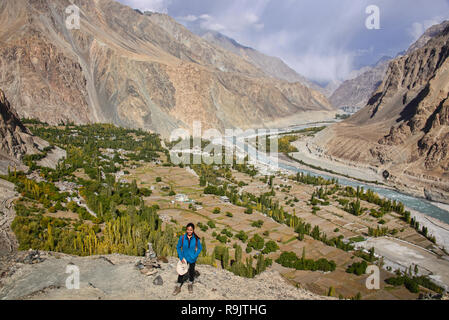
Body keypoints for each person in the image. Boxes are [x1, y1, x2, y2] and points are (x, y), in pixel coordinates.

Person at [173, 223, 202, 295]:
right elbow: (178, 247)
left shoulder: (196, 239)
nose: (189, 231)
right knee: (181, 272)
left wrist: (195, 255)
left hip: (192, 259)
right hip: (184, 258)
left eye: (191, 230)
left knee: (191, 271)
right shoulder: (182, 238)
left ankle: (190, 284)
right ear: (186, 230)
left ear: (193, 230)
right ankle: (178, 286)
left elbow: (200, 248)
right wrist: (181, 257)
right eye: (188, 230)